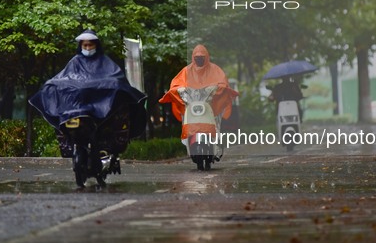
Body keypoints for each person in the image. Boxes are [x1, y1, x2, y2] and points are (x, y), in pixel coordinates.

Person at [29, 29, 146, 157]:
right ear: (80, 46)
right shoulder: (75, 62)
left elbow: (116, 79)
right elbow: (63, 78)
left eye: (90, 45)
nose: (88, 48)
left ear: (96, 45)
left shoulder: (105, 62)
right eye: (85, 45)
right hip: (76, 109)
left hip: (104, 115)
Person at [159, 44, 238, 134]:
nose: (199, 59)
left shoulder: (215, 69)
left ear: (207, 57)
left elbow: (223, 83)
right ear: (193, 57)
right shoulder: (186, 71)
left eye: (202, 57)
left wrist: (218, 89)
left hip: (211, 106)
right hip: (192, 105)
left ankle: (216, 137)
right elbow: (177, 83)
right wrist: (178, 90)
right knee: (185, 117)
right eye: (197, 57)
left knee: (216, 120)